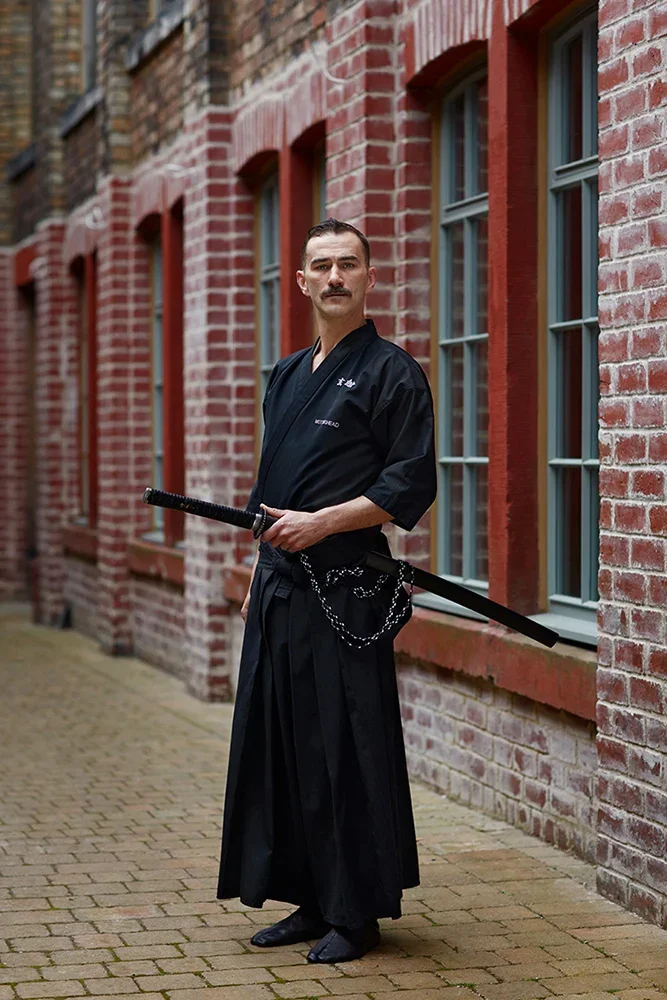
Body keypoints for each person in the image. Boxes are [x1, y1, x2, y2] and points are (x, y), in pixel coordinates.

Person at [216, 218, 437, 964]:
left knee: (346, 747)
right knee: (286, 745)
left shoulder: (392, 372)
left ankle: (356, 912)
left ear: (369, 278)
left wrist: (324, 524)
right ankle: (310, 900)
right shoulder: (283, 375)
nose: (335, 276)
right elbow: (271, 492)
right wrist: (257, 574)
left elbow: (408, 481)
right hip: (279, 589)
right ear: (302, 281)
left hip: (346, 590)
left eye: (349, 263)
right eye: (321, 265)